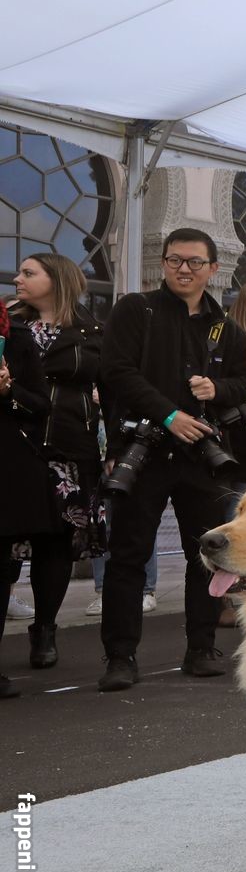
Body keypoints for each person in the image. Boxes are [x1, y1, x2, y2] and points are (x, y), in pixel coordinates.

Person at [95, 228, 246, 690]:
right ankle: (120, 657)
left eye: (194, 262)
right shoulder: (136, 310)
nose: (183, 269)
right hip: (143, 451)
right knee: (129, 555)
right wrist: (169, 415)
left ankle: (201, 648)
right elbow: (115, 370)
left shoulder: (227, 329)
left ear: (213, 269)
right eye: (175, 260)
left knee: (208, 555)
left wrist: (217, 389)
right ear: (163, 263)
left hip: (201, 457)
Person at [0, 254, 108, 677]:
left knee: (58, 543)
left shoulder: (92, 330)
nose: (17, 278)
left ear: (57, 279)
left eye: (29, 273)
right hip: (15, 445)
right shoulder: (10, 324)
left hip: (69, 445)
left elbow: (110, 385)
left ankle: (44, 628)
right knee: (7, 540)